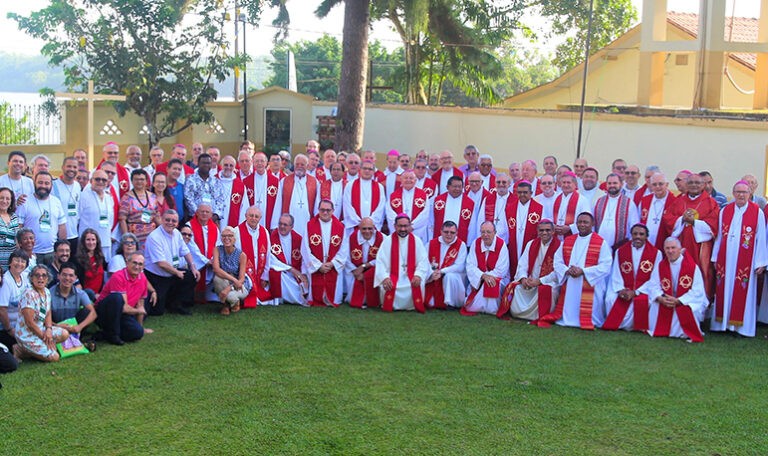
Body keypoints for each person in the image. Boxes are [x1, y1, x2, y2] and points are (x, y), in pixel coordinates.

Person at [710, 181, 767, 337]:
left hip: (746, 262)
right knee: (724, 288)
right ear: (733, 193)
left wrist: (761, 262)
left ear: (750, 193)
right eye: (738, 192)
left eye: (744, 192)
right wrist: (715, 257)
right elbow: (720, 236)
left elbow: (761, 238)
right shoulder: (725, 210)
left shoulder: (757, 212)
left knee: (743, 291)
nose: (741, 195)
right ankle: (722, 325)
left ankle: (741, 328)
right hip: (726, 259)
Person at [536, 213, 612, 330]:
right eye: (580, 222)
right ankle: (568, 317)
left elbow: (606, 265)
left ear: (592, 224)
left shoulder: (601, 243)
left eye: (585, 222)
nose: (582, 225)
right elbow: (558, 261)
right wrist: (567, 270)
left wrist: (584, 271)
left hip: (590, 283)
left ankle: (589, 319)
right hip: (570, 281)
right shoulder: (568, 241)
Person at [638, 237, 706, 342]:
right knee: (655, 306)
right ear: (664, 250)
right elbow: (653, 285)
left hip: (684, 300)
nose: (670, 251)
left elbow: (697, 291)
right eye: (667, 248)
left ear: (680, 249)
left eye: (673, 248)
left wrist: (679, 300)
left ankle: (683, 332)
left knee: (689, 310)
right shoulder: (660, 266)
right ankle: (661, 330)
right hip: (666, 300)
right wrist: (660, 297)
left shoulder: (692, 267)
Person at [663, 172, 719, 301]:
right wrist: (681, 220)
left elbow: (714, 224)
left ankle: (701, 304)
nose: (694, 185)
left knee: (703, 272)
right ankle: (678, 300)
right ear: (686, 184)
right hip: (681, 245)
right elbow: (668, 218)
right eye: (691, 183)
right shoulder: (679, 201)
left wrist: (694, 222)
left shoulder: (711, 203)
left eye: (697, 183)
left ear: (704, 184)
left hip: (701, 247)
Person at [602, 224, 662, 331]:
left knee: (647, 302)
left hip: (644, 290)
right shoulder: (620, 251)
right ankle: (621, 325)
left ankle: (636, 326)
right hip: (623, 287)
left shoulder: (656, 253)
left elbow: (655, 279)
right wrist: (621, 289)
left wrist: (636, 292)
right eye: (635, 234)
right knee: (610, 299)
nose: (638, 236)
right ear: (631, 235)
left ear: (646, 236)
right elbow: (616, 273)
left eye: (641, 234)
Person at [500, 220, 561, 321]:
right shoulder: (531, 244)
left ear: (553, 231)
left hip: (547, 282)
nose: (544, 233)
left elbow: (558, 271)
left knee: (547, 290)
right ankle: (517, 313)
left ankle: (538, 315)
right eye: (541, 230)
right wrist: (523, 279)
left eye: (547, 230)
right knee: (516, 288)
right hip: (530, 281)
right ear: (537, 231)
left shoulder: (559, 246)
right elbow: (522, 265)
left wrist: (540, 281)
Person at [144, 210, 200, 315]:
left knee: (191, 275)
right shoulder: (154, 237)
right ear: (161, 220)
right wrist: (176, 272)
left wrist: (193, 267)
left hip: (171, 272)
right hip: (156, 276)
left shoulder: (177, 233)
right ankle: (165, 302)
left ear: (177, 223)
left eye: (173, 221)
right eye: (167, 220)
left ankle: (176, 305)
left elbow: (185, 251)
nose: (170, 223)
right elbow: (161, 263)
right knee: (157, 311)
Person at [374, 213, 430, 312]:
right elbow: (380, 262)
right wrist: (385, 277)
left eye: (405, 226)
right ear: (395, 226)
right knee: (386, 285)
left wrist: (418, 275)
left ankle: (412, 305)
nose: (403, 229)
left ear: (410, 226)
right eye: (400, 226)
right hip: (392, 276)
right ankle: (391, 304)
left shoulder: (416, 241)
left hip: (411, 277)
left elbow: (423, 261)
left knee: (418, 283)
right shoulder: (388, 241)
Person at [12, 265, 69, 362]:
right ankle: (21, 348)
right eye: (37, 275)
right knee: (54, 357)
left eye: (44, 275)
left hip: (41, 329)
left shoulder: (46, 291)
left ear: (48, 278)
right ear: (32, 278)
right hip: (26, 334)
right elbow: (29, 323)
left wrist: (48, 330)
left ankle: (28, 349)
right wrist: (45, 338)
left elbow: (48, 312)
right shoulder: (28, 294)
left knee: (64, 334)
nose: (40, 278)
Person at [95, 251, 150, 344]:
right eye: (134, 263)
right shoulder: (118, 276)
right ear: (127, 263)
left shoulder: (143, 278)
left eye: (140, 264)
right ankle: (113, 336)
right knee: (117, 298)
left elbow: (141, 304)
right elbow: (124, 307)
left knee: (138, 333)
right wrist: (138, 311)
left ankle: (104, 334)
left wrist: (140, 327)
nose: (137, 267)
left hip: (123, 314)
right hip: (105, 312)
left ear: (143, 267)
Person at [15, 171, 67, 265]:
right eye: (40, 182)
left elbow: (62, 227)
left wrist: (61, 249)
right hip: (31, 253)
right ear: (34, 183)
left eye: (47, 183)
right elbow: (18, 227)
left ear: (51, 185)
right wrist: (20, 250)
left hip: (52, 253)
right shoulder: (25, 202)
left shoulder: (56, 202)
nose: (43, 185)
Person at [303, 200, 346, 307]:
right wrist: (318, 266)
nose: (325, 212)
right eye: (322, 210)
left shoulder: (340, 227)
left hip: (332, 266)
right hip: (316, 267)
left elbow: (344, 249)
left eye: (328, 210)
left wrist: (332, 264)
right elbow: (305, 249)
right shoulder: (310, 225)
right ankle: (316, 298)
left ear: (333, 211)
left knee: (334, 291)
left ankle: (332, 299)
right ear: (318, 210)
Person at [462, 221, 510, 316]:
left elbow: (502, 270)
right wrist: (483, 276)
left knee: (491, 283)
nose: (485, 235)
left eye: (488, 232)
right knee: (471, 305)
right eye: (483, 232)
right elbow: (470, 265)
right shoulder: (476, 243)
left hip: (497, 279)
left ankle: (491, 309)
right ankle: (483, 307)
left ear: (495, 232)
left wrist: (487, 277)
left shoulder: (501, 245)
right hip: (479, 280)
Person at [271, 154, 319, 238]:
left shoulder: (314, 182)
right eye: (297, 164)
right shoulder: (284, 181)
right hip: (287, 225)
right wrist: (275, 225)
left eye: (302, 164)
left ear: (307, 166)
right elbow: (278, 204)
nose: (299, 166)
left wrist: (317, 224)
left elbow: (317, 205)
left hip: (307, 224)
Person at [424, 221, 467, 309]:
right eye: (446, 232)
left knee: (450, 276)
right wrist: (432, 273)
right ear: (441, 232)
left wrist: (442, 271)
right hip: (433, 277)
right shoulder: (430, 244)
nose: (449, 235)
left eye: (452, 232)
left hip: (452, 278)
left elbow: (460, 266)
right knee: (430, 302)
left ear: (456, 233)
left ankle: (450, 303)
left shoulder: (461, 245)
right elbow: (424, 262)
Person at [235, 206, 272, 307]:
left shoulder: (265, 232)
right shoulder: (237, 232)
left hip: (259, 276)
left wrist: (265, 276)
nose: (253, 218)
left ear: (260, 218)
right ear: (246, 216)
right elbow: (235, 257)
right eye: (251, 215)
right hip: (243, 275)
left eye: (256, 216)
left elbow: (268, 255)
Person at [50, 262, 97, 340]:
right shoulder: (49, 294)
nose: (67, 278)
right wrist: (56, 326)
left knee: (87, 311)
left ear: (75, 278)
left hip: (74, 327)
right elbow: (42, 318)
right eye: (64, 275)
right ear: (58, 276)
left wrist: (79, 327)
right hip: (55, 327)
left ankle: (78, 338)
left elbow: (93, 314)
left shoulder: (80, 293)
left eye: (71, 275)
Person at [268, 214, 308, 306]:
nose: (282, 227)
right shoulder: (272, 238)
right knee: (277, 274)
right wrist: (290, 269)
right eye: (280, 224)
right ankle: (294, 299)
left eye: (285, 225)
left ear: (292, 227)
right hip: (283, 271)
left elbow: (304, 259)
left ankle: (289, 297)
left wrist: (303, 274)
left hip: (297, 273)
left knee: (303, 282)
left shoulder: (298, 239)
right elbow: (270, 259)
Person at [344, 218, 383, 308]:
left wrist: (365, 266)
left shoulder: (382, 238)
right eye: (364, 228)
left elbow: (383, 259)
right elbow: (345, 257)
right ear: (359, 228)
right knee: (351, 298)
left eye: (370, 228)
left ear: (374, 228)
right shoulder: (351, 238)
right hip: (355, 270)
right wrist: (355, 271)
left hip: (373, 270)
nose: (367, 231)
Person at [593, 173, 639, 250]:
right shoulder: (599, 201)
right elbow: (593, 224)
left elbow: (634, 226)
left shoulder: (628, 203)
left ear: (621, 184)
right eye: (609, 183)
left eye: (615, 183)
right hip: (600, 246)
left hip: (620, 247)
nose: (612, 186)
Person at [212, 226, 251, 314]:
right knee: (217, 279)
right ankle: (225, 305)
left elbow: (241, 279)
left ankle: (235, 303)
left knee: (230, 296)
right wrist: (233, 279)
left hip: (240, 285)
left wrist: (230, 287)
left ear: (235, 239)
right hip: (227, 280)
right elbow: (216, 269)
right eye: (224, 236)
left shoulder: (241, 255)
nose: (227, 238)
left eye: (230, 236)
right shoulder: (217, 250)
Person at [78, 169, 115, 261]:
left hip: (105, 242)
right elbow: (77, 220)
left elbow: (111, 220)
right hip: (88, 244)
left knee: (105, 271)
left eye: (104, 180)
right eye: (97, 179)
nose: (101, 182)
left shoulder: (109, 198)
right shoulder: (82, 196)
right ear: (91, 181)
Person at [187, 203, 221, 301]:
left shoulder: (214, 228)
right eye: (202, 211)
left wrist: (214, 259)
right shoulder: (189, 226)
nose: (204, 214)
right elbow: (191, 247)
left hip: (211, 263)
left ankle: (212, 296)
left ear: (211, 214)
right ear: (197, 213)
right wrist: (205, 261)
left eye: (207, 212)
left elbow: (218, 245)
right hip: (196, 264)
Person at [385, 170, 429, 244]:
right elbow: (390, 214)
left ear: (415, 180)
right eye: (405, 178)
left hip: (416, 231)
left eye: (411, 178)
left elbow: (425, 214)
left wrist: (412, 226)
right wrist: (401, 227)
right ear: (401, 180)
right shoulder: (393, 195)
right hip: (399, 231)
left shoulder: (423, 195)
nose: (408, 180)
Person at [343, 160, 386, 235]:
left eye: (370, 169)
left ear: (373, 171)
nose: (367, 171)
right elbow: (347, 205)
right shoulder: (350, 185)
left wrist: (370, 222)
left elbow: (381, 207)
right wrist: (359, 222)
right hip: (355, 226)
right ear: (360, 169)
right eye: (365, 168)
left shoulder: (379, 187)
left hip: (372, 226)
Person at [119, 169, 159, 250]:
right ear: (132, 181)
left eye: (142, 179)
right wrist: (127, 239)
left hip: (151, 237)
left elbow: (156, 216)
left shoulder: (153, 197)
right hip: (135, 239)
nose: (139, 182)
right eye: (136, 179)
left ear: (146, 181)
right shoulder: (127, 198)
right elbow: (122, 219)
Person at [638, 172, 676, 250]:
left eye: (660, 184)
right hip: (645, 244)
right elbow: (638, 220)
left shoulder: (675, 202)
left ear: (667, 184)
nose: (658, 187)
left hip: (665, 245)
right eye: (654, 184)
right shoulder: (644, 200)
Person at [0, 250, 29, 350]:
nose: (19, 264)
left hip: (23, 324)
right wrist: (9, 330)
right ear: (10, 262)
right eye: (16, 260)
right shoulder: (6, 281)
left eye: (23, 261)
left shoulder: (25, 277)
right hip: (8, 328)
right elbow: (2, 309)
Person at [52, 156, 81, 253]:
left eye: (74, 167)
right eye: (69, 166)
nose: (72, 169)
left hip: (74, 235)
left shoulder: (77, 186)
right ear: (63, 167)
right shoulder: (54, 185)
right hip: (58, 235)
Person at [184, 153, 225, 222]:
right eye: (203, 163)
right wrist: (200, 215)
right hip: (195, 219)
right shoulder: (191, 180)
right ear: (198, 164)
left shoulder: (216, 181)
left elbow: (220, 200)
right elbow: (188, 199)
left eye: (208, 163)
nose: (206, 165)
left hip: (213, 220)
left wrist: (215, 215)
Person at [552, 172, 592, 240]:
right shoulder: (555, 198)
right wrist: (553, 226)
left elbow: (586, 220)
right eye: (564, 182)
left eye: (568, 182)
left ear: (575, 184)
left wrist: (570, 228)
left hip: (574, 237)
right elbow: (550, 216)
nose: (566, 185)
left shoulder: (582, 200)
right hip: (556, 236)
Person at [243, 152, 277, 228]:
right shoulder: (246, 181)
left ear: (266, 163)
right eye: (257, 161)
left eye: (262, 161)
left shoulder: (275, 181)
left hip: (268, 217)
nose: (259, 163)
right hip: (252, 218)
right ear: (253, 163)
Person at [476, 173, 512, 243]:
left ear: (509, 184)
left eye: (504, 182)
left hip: (507, 241)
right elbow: (481, 220)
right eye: (498, 182)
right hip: (489, 240)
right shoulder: (487, 199)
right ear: (495, 184)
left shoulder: (514, 200)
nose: (501, 184)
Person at [73, 228, 107, 298]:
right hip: (85, 296)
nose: (91, 243)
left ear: (97, 241)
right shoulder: (77, 260)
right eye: (88, 240)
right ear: (83, 242)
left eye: (93, 240)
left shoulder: (100, 257)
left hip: (100, 295)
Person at [0, 187, 20, 271]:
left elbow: (17, 240)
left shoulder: (14, 217)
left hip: (11, 264)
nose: (4, 201)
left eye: (7, 199)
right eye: (1, 198)